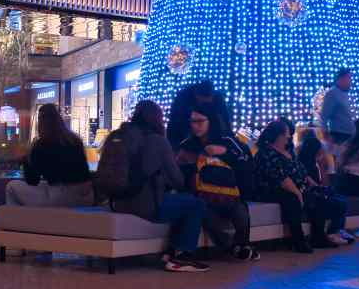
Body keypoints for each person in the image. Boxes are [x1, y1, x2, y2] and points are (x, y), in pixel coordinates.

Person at [111, 100, 210, 272]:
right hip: (145, 206)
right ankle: (182, 256)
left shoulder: (118, 136)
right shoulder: (157, 141)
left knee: (180, 202)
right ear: (157, 119)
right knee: (195, 204)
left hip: (118, 203)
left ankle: (170, 252)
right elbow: (177, 180)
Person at [176, 103, 260, 261]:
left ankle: (242, 245)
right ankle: (233, 249)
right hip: (202, 196)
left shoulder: (227, 141)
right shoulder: (187, 145)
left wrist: (225, 152)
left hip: (230, 195)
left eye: (200, 121)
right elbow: (180, 172)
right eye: (193, 121)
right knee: (204, 214)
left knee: (240, 210)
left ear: (211, 121)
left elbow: (246, 162)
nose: (196, 126)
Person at [254, 119, 343, 252]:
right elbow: (281, 178)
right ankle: (298, 241)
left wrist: (313, 185)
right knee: (293, 199)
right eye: (286, 134)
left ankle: (319, 237)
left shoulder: (289, 151)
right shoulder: (266, 153)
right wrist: (298, 193)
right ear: (278, 136)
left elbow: (302, 172)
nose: (289, 136)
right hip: (275, 189)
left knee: (319, 198)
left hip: (296, 186)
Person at [5, 103, 94, 207]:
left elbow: (32, 180)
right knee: (47, 185)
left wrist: (25, 159)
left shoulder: (41, 144)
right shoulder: (74, 140)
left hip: (62, 197)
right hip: (86, 196)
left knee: (11, 187)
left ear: (40, 122)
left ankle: (20, 221)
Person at [168, 81, 233, 150]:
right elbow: (174, 122)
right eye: (204, 102)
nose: (206, 106)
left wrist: (229, 136)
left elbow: (225, 117)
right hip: (181, 131)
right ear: (197, 95)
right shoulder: (182, 98)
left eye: (208, 103)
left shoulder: (217, 97)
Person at [321, 69, 356, 150]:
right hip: (339, 136)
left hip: (348, 135)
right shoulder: (332, 93)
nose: (351, 81)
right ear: (341, 79)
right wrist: (326, 137)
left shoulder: (344, 94)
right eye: (349, 78)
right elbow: (324, 116)